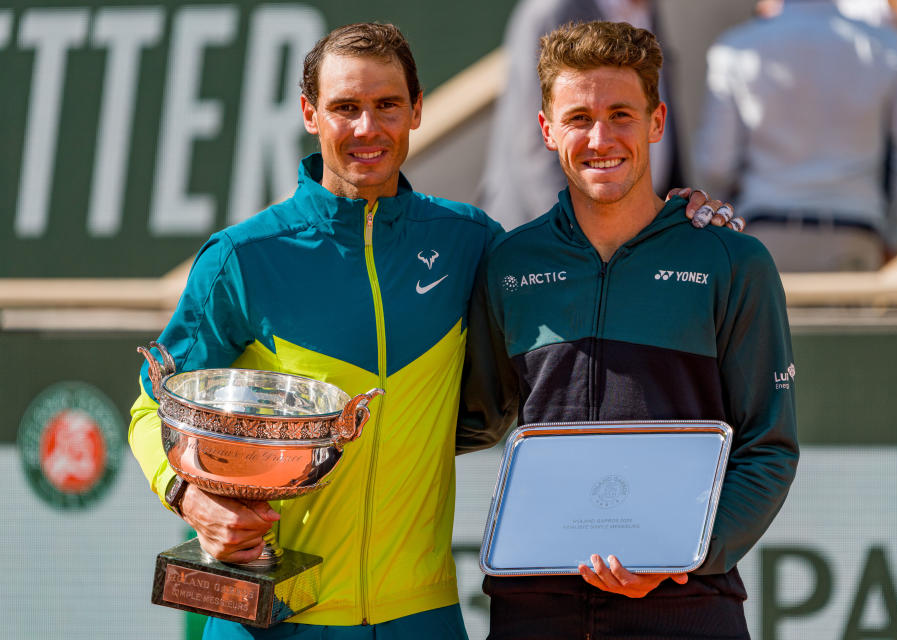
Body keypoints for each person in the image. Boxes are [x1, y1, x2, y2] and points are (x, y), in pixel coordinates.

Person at [128, 21, 732, 640]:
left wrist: (678, 218)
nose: (368, 128)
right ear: (310, 113)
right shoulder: (243, 256)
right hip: (270, 613)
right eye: (345, 108)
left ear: (417, 110)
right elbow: (152, 407)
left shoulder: (470, 243)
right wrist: (188, 495)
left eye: (387, 105)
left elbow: (582, 250)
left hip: (422, 617)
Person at [458, 21, 799, 639]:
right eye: (579, 117)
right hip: (535, 611)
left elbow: (768, 448)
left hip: (687, 606)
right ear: (546, 130)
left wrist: (686, 556)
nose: (600, 137)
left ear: (657, 122)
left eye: (621, 114)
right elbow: (469, 420)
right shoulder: (511, 264)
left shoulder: (731, 261)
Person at [695, 0, 897, 272]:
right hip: (856, 233)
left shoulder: (736, 48)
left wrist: (726, 226)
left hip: (763, 232)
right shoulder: (888, 47)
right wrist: (896, 237)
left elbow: (715, 165)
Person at [478, 0, 685, 230]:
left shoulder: (645, 9)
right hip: (546, 239)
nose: (600, 139)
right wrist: (578, 244)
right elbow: (533, 150)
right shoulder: (554, 10)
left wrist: (680, 217)